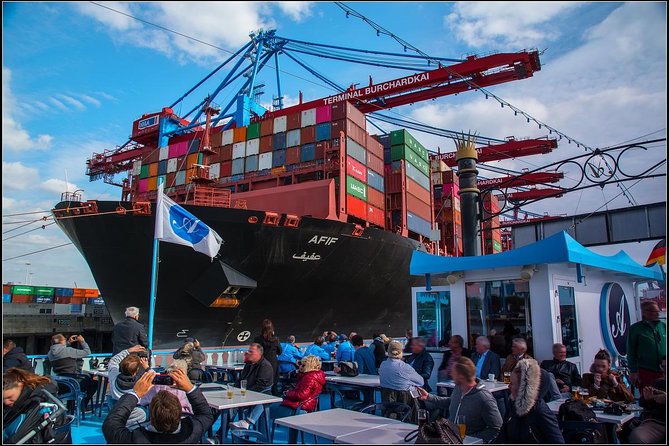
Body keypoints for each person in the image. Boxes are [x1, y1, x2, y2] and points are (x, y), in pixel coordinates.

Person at [102, 368, 214, 443]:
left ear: (151, 415)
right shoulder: (192, 433)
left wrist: (135, 393)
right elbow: (206, 414)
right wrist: (190, 388)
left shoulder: (134, 439)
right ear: (179, 412)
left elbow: (111, 424)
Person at [416, 357, 502, 442]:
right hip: (449, 437)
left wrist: (472, 439)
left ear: (461, 377)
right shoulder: (459, 387)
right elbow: (451, 402)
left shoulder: (484, 398)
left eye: (453, 372)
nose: (450, 374)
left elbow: (496, 429)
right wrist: (429, 397)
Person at [494, 358, 564, 444]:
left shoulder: (540, 412)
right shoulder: (512, 404)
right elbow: (502, 435)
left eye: (512, 383)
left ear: (523, 388)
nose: (508, 387)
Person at [269, 355, 326, 442]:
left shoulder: (309, 378)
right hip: (304, 406)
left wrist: (287, 393)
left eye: (302, 365)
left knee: (266, 410)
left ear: (308, 366)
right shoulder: (314, 376)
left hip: (299, 408)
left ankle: (262, 439)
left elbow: (301, 395)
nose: (299, 366)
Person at [3, 368, 62, 444]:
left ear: (20, 386)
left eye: (9, 397)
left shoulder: (37, 402)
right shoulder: (23, 399)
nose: (6, 402)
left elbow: (16, 439)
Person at [229, 343, 274, 430]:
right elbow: (241, 380)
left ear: (258, 354)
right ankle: (219, 436)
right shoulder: (249, 364)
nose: (248, 353)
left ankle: (247, 422)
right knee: (229, 406)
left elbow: (260, 386)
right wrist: (235, 390)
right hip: (245, 393)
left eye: (251, 351)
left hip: (259, 395)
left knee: (263, 400)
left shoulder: (265, 366)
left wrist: (245, 395)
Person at [47, 333, 97, 410]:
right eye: (65, 339)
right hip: (73, 382)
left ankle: (71, 408)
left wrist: (68, 343)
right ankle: (83, 405)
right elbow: (87, 352)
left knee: (79, 380)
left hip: (60, 382)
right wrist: (82, 341)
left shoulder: (50, 353)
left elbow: (60, 350)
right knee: (94, 383)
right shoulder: (69, 350)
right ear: (62, 341)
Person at [108, 345, 150, 428]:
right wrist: (147, 367)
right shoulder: (141, 385)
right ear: (136, 370)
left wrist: (128, 350)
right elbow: (154, 377)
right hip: (137, 416)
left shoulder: (114, 377)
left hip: (117, 414)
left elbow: (113, 361)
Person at [627, 301, 666, 390]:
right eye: (653, 311)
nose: (657, 313)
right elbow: (631, 351)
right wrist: (633, 371)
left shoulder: (663, 326)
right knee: (648, 398)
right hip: (645, 371)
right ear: (645, 312)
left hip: (663, 372)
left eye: (657, 311)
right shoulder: (635, 329)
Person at [629, 356, 665, 444]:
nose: (665, 370)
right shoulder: (659, 383)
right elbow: (644, 405)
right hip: (658, 424)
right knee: (637, 436)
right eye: (663, 367)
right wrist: (647, 399)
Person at [253, 319, 282, 395]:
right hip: (273, 363)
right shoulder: (275, 339)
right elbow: (280, 351)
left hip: (261, 363)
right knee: (274, 384)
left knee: (261, 383)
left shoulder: (258, 339)